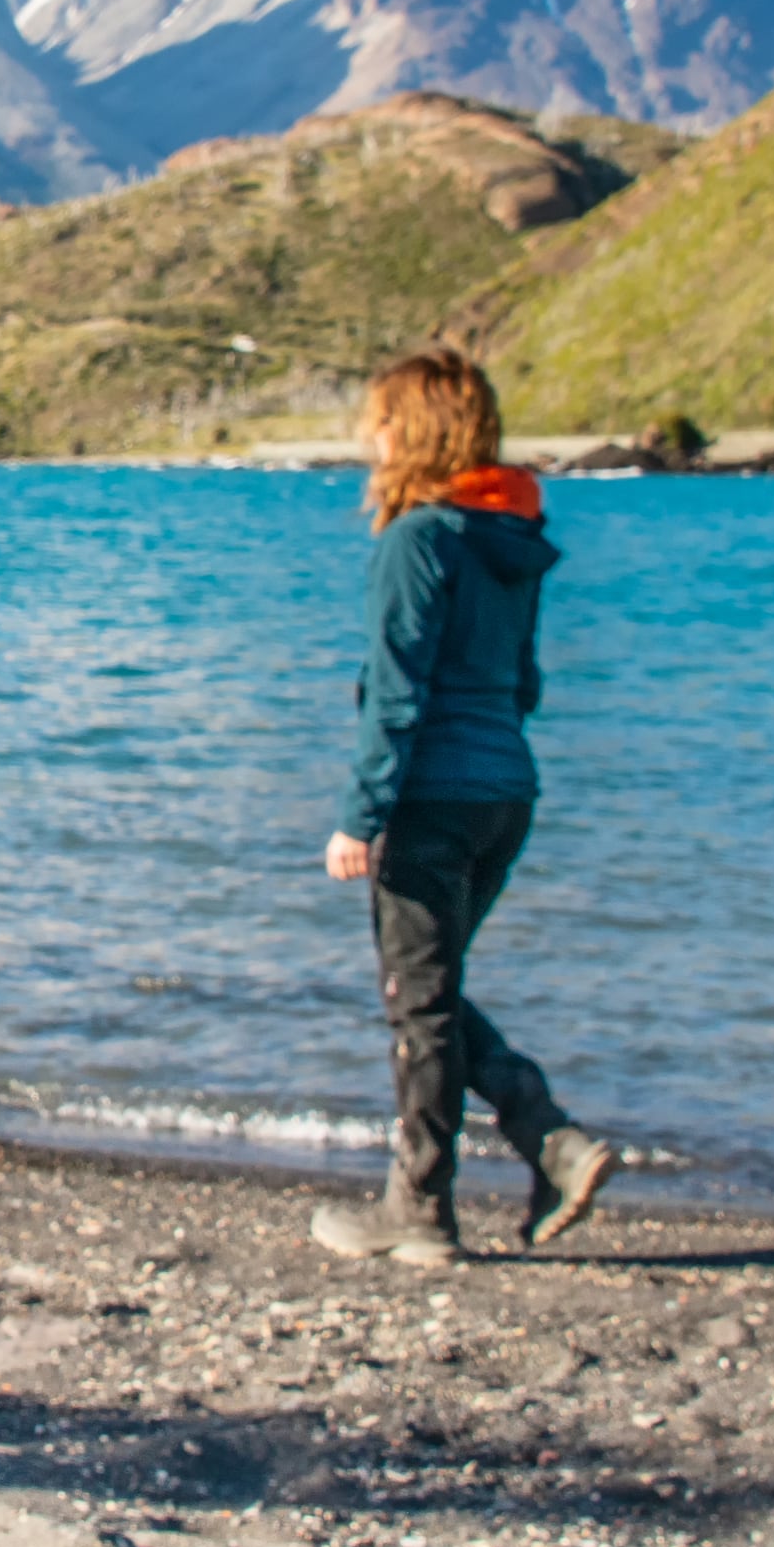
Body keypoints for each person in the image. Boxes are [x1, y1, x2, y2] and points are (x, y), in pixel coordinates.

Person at [310, 343, 617, 1268]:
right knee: (433, 989)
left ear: (413, 430)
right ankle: (546, 1136)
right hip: (504, 792)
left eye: (382, 420)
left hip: (434, 794)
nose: (372, 437)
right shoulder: (510, 543)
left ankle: (422, 1208)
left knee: (419, 1004)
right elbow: (522, 681)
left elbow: (393, 693)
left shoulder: (418, 540)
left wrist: (362, 813)